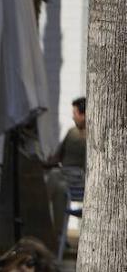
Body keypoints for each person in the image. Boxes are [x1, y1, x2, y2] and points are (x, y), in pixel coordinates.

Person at [45, 96, 86, 239]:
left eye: (75, 113)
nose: (73, 117)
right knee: (59, 188)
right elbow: (57, 156)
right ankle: (58, 235)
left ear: (83, 115)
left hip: (80, 181)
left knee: (54, 176)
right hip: (66, 180)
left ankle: (42, 210)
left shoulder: (95, 136)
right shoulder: (71, 132)